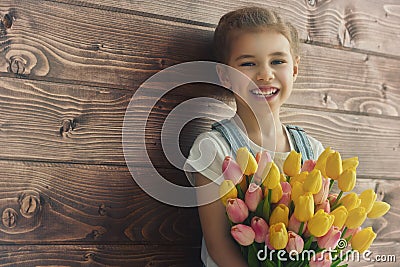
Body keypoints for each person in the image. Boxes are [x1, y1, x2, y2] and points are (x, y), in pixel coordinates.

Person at [184, 6, 324, 267]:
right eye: (248, 63)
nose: (264, 74)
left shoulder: (313, 152)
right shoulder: (214, 149)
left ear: (294, 69)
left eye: (278, 61)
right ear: (225, 76)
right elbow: (219, 246)